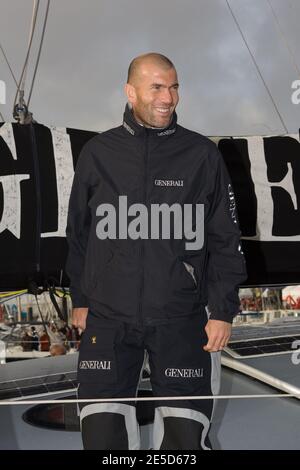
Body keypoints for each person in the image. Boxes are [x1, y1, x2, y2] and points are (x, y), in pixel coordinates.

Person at [66, 52, 247, 450]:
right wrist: (80, 297)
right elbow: (77, 234)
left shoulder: (202, 155)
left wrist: (222, 310)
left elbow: (225, 240)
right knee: (102, 440)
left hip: (182, 319)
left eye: (175, 86)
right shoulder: (98, 153)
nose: (169, 97)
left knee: (184, 442)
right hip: (109, 321)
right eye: (158, 87)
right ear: (131, 92)